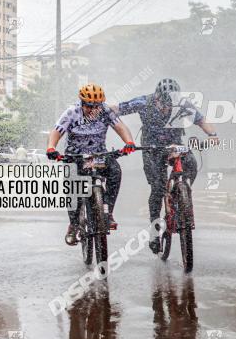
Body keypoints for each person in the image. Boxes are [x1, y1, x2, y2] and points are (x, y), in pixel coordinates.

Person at [113, 79, 219, 249]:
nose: (167, 108)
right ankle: (154, 233)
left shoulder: (183, 104)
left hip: (174, 144)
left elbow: (201, 120)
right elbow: (117, 109)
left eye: (171, 104)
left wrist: (212, 134)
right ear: (157, 98)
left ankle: (181, 195)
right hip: (151, 147)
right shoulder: (144, 102)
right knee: (157, 188)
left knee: (191, 162)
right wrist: (97, 109)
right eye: (164, 104)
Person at [46, 83, 136, 246]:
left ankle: (107, 211)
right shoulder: (72, 112)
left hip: (99, 155)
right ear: (82, 103)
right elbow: (56, 131)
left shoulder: (106, 111)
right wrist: (51, 147)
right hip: (76, 157)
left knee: (115, 171)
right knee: (72, 187)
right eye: (89, 106)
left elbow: (120, 127)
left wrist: (129, 142)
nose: (93, 110)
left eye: (97, 106)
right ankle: (74, 224)